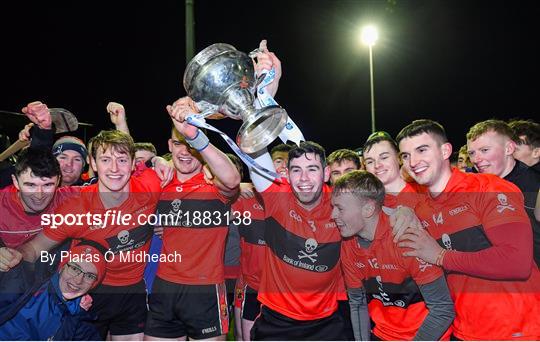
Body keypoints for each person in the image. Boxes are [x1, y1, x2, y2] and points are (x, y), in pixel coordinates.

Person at [0, 129, 171, 340]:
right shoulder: (75, 207)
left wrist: (160, 161)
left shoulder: (150, 185)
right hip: (85, 291)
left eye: (122, 160)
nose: (115, 168)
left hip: (133, 290)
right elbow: (35, 248)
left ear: (133, 163)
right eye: (106, 159)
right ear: (93, 162)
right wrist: (12, 255)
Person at [396, 119, 540, 340]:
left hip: (515, 329)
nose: (413, 162)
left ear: (445, 150)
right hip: (464, 329)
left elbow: (517, 262)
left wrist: (440, 256)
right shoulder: (420, 208)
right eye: (405, 156)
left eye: (422, 150)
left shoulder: (489, 188)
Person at [144, 96, 240, 341]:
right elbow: (123, 161)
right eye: (179, 143)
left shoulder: (212, 183)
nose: (185, 151)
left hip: (205, 289)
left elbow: (232, 180)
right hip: (164, 285)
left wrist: (196, 137)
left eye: (191, 145)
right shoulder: (160, 181)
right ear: (169, 144)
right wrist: (154, 159)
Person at [332, 170, 454, 340]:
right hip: (383, 334)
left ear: (368, 209)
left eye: (340, 208)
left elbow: (442, 310)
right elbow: (358, 303)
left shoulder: (406, 237)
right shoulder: (348, 244)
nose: (333, 215)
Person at [466, 119, 540, 265]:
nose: (476, 159)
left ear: (509, 149)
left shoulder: (535, 186)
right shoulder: (471, 188)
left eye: (484, 150)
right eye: (472, 153)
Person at [0, 240, 107, 340]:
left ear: (93, 285)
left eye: (90, 276)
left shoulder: (79, 316)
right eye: (74, 268)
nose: (78, 281)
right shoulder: (25, 283)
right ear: (62, 268)